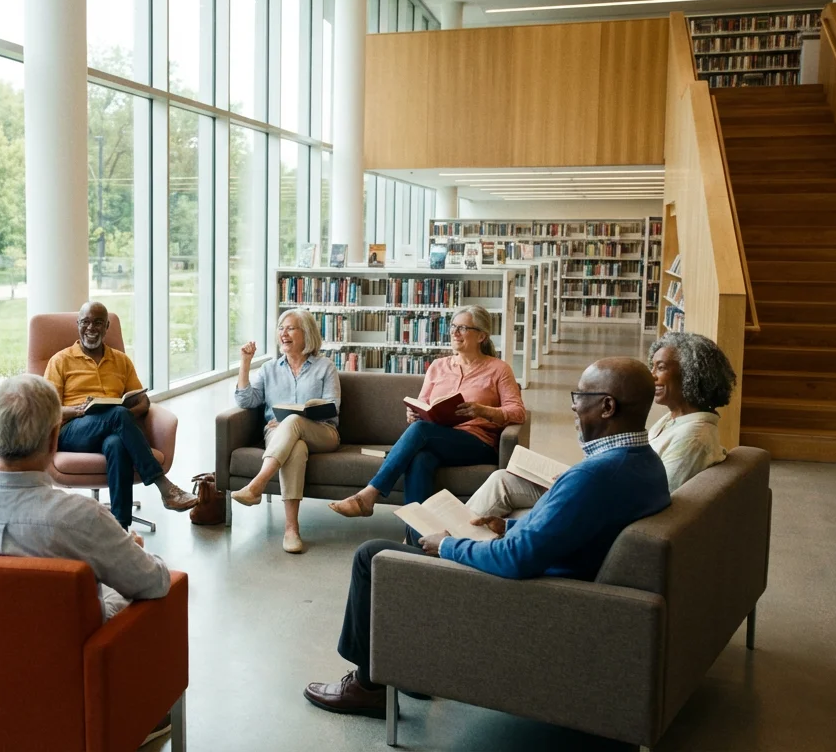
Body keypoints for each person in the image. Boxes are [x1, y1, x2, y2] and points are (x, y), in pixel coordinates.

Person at [303, 358, 671, 718]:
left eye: (580, 395)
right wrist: (508, 527)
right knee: (422, 481)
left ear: (607, 406)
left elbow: (516, 560)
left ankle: (366, 688)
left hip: (525, 592)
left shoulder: (594, 475)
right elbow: (572, 531)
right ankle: (404, 667)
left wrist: (448, 545)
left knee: (371, 555)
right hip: (556, 574)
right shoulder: (646, 464)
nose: (573, 406)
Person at [0, 373, 176, 747]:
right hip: (64, 676)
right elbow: (156, 582)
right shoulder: (82, 518)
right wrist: (130, 550)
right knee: (134, 590)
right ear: (55, 438)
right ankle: (136, 712)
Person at [464, 331, 735, 517]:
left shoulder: (693, 437)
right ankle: (448, 532)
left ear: (691, 375)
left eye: (661, 368)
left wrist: (582, 483)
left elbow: (658, 499)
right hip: (602, 485)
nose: (651, 377)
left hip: (601, 498)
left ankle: (445, 545)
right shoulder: (674, 419)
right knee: (502, 479)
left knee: (502, 486)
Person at [330, 305, 526, 523]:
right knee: (421, 458)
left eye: (462, 328)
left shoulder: (499, 369)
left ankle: (370, 494)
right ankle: (418, 537)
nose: (454, 332)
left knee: (421, 430)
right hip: (438, 438)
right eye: (453, 326)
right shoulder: (438, 366)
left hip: (477, 444)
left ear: (481, 336)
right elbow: (422, 403)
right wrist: (415, 413)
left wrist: (483, 411)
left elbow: (517, 413)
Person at [44, 301, 196, 528]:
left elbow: (142, 401)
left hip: (112, 428)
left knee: (117, 443)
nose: (90, 328)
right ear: (78, 325)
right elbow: (47, 407)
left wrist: (126, 413)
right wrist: (79, 410)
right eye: (85, 322)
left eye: (97, 323)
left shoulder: (121, 360)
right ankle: (163, 486)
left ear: (107, 327)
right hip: (73, 431)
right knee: (117, 415)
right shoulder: (61, 360)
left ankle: (121, 528)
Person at [231, 308, 342, 554]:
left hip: (322, 433)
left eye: (291, 328)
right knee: (296, 447)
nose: (284, 333)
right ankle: (291, 529)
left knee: (291, 422)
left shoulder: (325, 366)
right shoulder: (269, 368)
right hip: (279, 435)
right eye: (281, 328)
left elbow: (332, 409)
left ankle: (257, 485)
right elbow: (246, 401)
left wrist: (294, 418)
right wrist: (245, 363)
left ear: (307, 334)